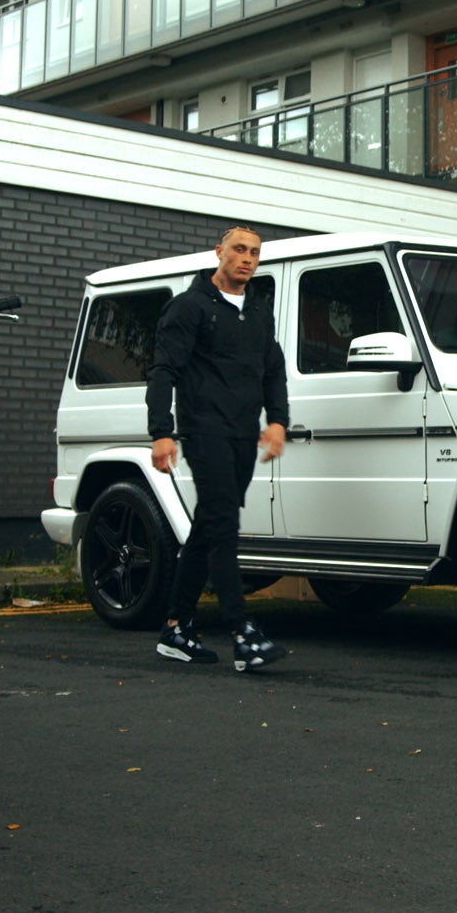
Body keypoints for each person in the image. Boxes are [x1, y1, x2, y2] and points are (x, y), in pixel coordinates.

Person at [147, 225, 291, 672]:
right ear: (219, 252)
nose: (247, 259)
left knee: (209, 526)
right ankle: (242, 633)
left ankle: (176, 628)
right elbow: (164, 370)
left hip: (243, 435)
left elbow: (273, 368)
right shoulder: (189, 307)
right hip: (204, 432)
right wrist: (161, 431)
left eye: (254, 253)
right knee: (224, 524)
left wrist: (278, 421)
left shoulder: (259, 311)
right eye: (239, 250)